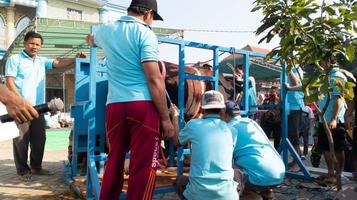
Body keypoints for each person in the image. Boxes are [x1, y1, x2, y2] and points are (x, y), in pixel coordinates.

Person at [86, 0, 174, 199]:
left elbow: (90, 39)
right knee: (144, 165)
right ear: (149, 14)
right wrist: (166, 119)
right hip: (142, 106)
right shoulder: (145, 34)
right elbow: (153, 78)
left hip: (115, 106)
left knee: (114, 160)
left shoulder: (106, 30)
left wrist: (93, 41)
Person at [5, 31, 85, 181]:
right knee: (21, 139)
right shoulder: (14, 59)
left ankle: (36, 167)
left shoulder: (41, 61)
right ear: (25, 43)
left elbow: (58, 63)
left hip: (39, 108)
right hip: (21, 107)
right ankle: (22, 170)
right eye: (31, 43)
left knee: (39, 139)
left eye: (37, 44)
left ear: (40, 46)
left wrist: (74, 59)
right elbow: (9, 82)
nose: (34, 47)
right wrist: (18, 101)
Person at [172, 90, 239, 200]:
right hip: (227, 196)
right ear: (222, 109)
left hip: (198, 195)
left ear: (202, 108)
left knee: (179, 181)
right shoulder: (232, 130)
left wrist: (174, 116)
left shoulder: (193, 125)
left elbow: (176, 142)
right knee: (238, 173)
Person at [223, 101, 285, 200]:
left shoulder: (228, 129)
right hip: (279, 173)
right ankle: (268, 193)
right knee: (252, 159)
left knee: (227, 169)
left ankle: (251, 196)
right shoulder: (251, 123)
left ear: (225, 115)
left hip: (259, 179)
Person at [316, 57, 347, 185]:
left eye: (321, 61)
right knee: (325, 147)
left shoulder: (338, 76)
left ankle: (338, 175)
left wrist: (334, 119)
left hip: (334, 120)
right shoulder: (324, 76)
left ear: (329, 61)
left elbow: (339, 98)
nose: (319, 63)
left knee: (338, 148)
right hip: (323, 118)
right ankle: (330, 173)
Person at [285, 66, 305, 172]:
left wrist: (287, 67)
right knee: (291, 135)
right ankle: (295, 160)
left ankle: (297, 163)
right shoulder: (290, 68)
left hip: (295, 106)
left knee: (294, 135)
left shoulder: (293, 68)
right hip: (289, 106)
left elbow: (296, 82)